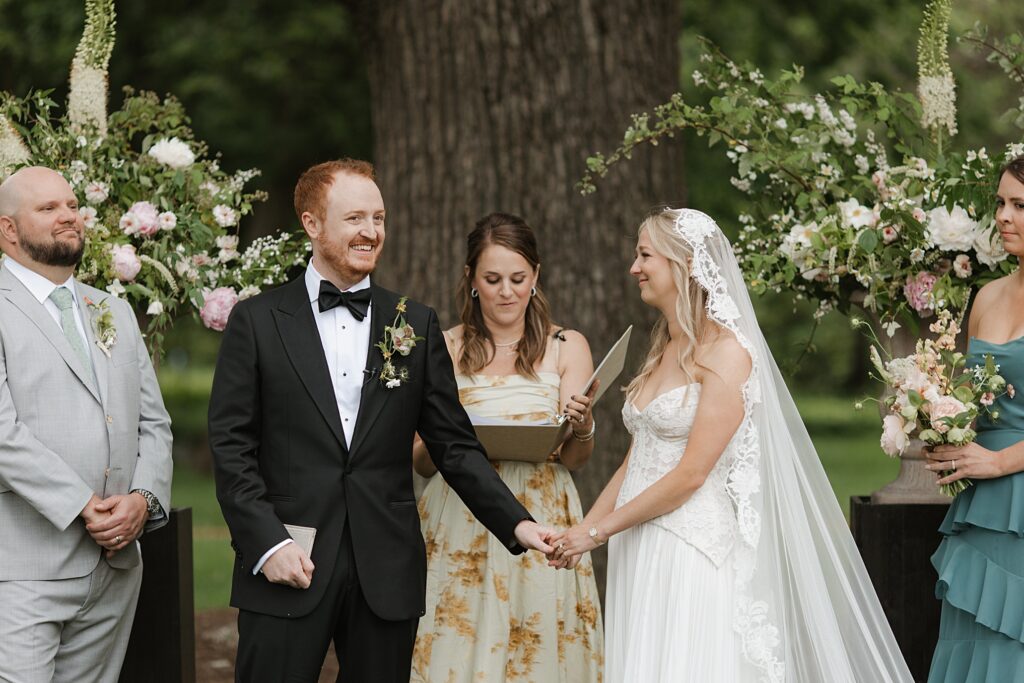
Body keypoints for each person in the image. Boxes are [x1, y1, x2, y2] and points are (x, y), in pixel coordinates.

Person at [208, 159, 555, 682]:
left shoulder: (413, 323)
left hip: (385, 567)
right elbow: (231, 447)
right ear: (312, 224)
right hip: (286, 561)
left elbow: (454, 446)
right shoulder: (256, 322)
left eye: (379, 217)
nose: (371, 232)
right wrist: (267, 543)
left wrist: (517, 521)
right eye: (354, 219)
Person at [549, 208, 913, 681]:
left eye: (644, 256)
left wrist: (596, 534)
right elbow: (638, 459)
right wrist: (584, 532)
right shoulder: (664, 345)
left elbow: (691, 473)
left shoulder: (726, 351)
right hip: (638, 541)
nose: (633, 268)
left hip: (688, 546)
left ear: (683, 264)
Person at [410, 213, 603, 682]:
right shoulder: (446, 346)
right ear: (472, 280)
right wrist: (452, 434)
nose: (506, 292)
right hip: (461, 511)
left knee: (537, 645)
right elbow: (419, 460)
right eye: (492, 279)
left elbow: (575, 459)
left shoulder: (566, 345)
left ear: (535, 276)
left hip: (544, 507)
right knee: (457, 643)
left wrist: (583, 425)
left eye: (518, 279)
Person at [0, 166, 173, 682]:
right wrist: (84, 507)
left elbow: (154, 424)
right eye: (48, 208)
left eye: (72, 205)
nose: (68, 216)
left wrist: (143, 499)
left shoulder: (112, 310)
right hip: (24, 567)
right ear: (9, 229)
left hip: (114, 570)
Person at [925, 156, 1024, 682]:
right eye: (1000, 203)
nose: (1003, 216)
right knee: (972, 641)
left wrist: (998, 462)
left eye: (1020, 205)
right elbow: (967, 395)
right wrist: (936, 424)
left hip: (1015, 488)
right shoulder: (986, 297)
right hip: (978, 506)